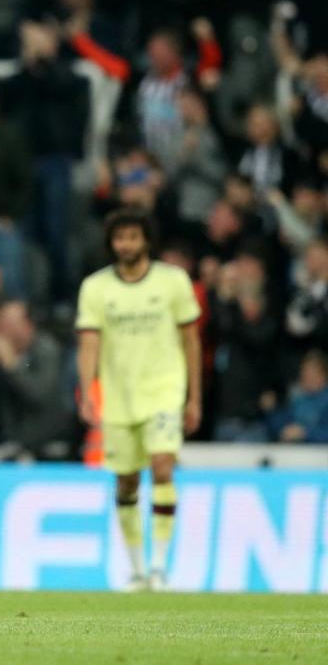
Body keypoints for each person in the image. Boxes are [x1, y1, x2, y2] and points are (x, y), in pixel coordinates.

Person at [76, 209, 201, 592]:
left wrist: (194, 397)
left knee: (163, 467)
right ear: (111, 243)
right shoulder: (96, 288)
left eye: (133, 237)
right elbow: (89, 343)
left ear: (146, 239)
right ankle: (136, 570)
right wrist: (87, 390)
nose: (126, 244)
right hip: (118, 396)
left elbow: (190, 340)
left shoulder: (173, 282)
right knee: (127, 481)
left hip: (165, 390)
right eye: (119, 238)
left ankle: (160, 567)